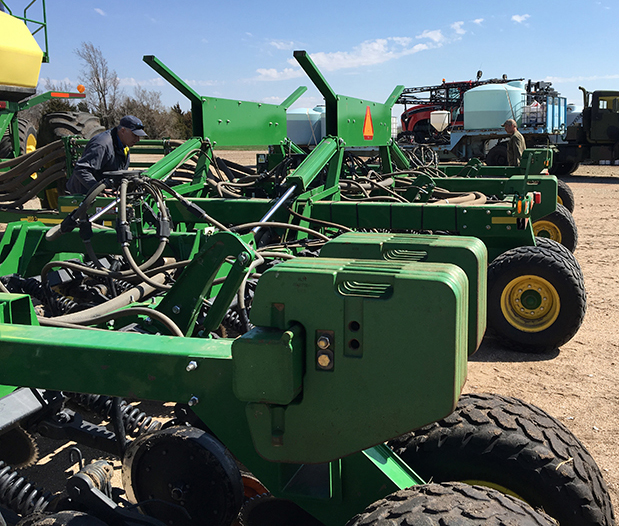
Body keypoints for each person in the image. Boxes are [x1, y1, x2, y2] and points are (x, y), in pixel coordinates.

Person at [66, 115, 147, 194]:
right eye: (135, 135)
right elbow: (81, 169)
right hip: (83, 194)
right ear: (123, 131)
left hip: (106, 191)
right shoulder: (101, 144)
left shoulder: (123, 145)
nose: (138, 139)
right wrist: (98, 189)